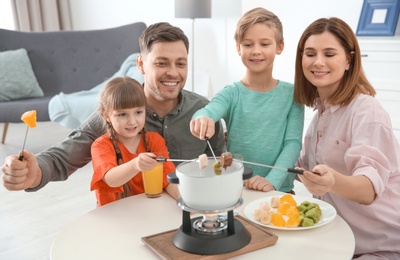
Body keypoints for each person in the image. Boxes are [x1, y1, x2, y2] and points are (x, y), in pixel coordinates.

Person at [1, 22, 225, 193]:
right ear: (141, 65)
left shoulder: (204, 110)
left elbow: (219, 164)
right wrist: (34, 172)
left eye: (181, 63)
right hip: (132, 220)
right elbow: (64, 156)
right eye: (161, 63)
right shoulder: (116, 111)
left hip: (190, 212)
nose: (173, 73)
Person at [294, 17, 400, 259]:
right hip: (339, 239)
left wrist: (332, 182)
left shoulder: (366, 110)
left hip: (381, 245)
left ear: (349, 61)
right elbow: (303, 168)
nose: (318, 62)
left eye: (329, 54)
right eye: (310, 53)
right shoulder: (320, 113)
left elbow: (368, 189)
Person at [190, 7, 304, 193]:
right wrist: (202, 117)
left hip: (278, 189)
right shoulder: (231, 93)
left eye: (264, 44)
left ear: (279, 46)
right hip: (238, 187)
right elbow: (209, 110)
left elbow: (293, 144)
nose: (256, 51)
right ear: (238, 47)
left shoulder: (293, 95)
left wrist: (272, 181)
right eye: (248, 44)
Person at [91, 76, 177, 206]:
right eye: (122, 114)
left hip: (148, 210)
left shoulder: (154, 140)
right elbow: (110, 179)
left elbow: (168, 180)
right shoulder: (101, 146)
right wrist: (135, 165)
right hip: (115, 215)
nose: (132, 121)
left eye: (138, 112)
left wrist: (186, 201)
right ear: (106, 115)